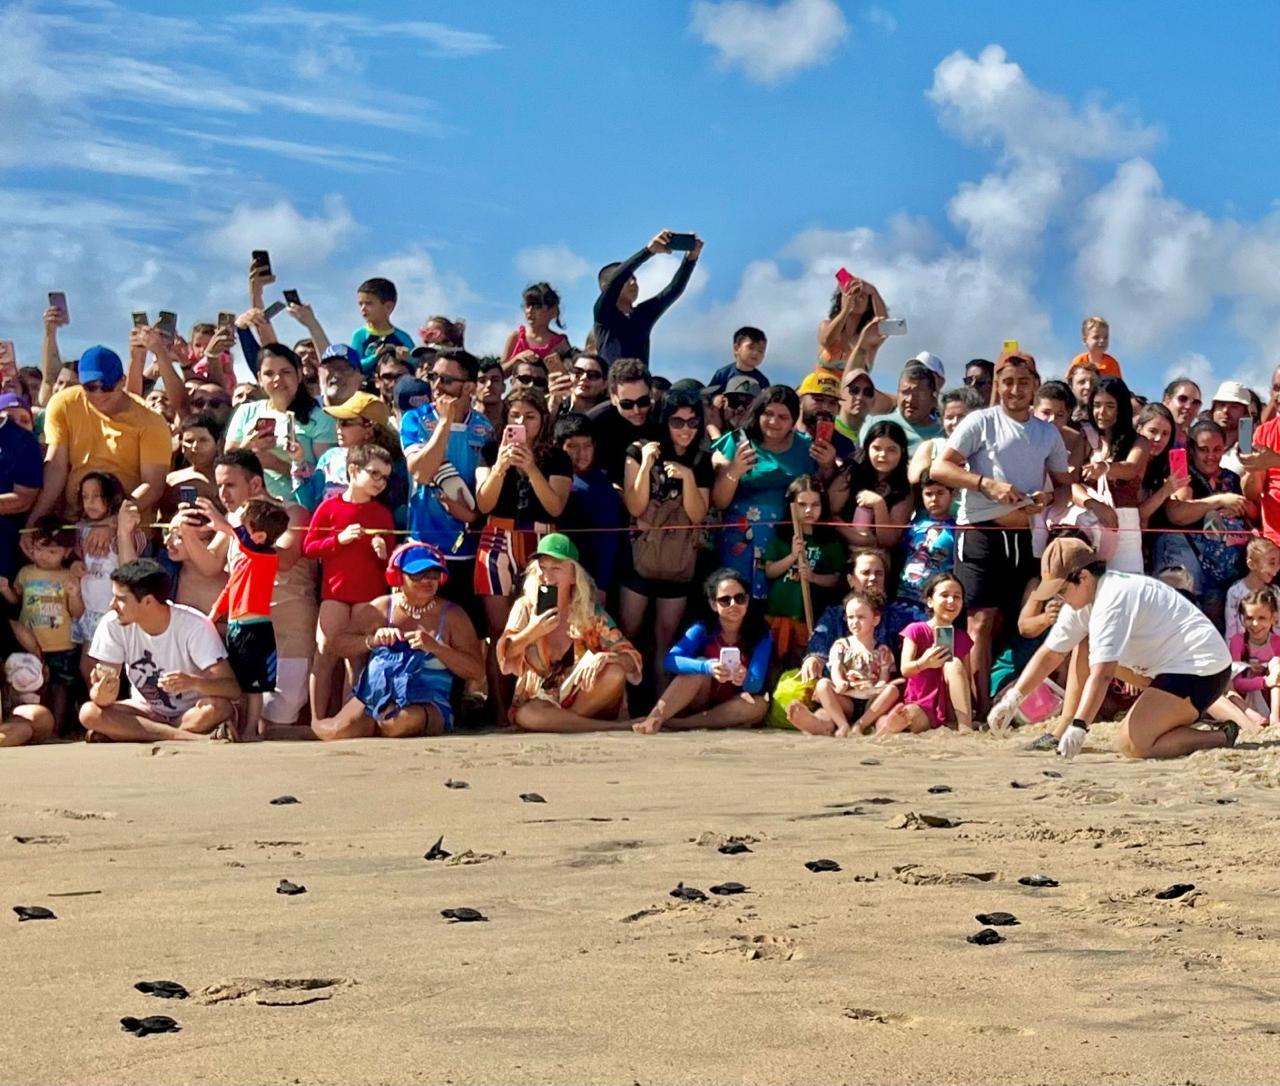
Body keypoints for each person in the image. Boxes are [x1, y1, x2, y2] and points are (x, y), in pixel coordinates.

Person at [988, 538, 1237, 759]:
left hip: (1201, 670)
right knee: (1083, 645)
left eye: (1061, 591)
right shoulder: (1084, 598)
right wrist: (1012, 699)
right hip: (1159, 668)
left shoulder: (1113, 598)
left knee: (1133, 744)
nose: (1059, 599)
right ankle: (1062, 728)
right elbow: (1051, 653)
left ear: (1083, 577)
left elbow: (1104, 674)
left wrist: (1081, 726)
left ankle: (1220, 736)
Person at [932, 353, 1071, 715]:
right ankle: (976, 711)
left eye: (1023, 382)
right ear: (998, 385)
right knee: (979, 621)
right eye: (1007, 382)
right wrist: (985, 484)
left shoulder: (1047, 432)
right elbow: (940, 467)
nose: (1014, 390)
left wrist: (1046, 501)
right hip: (979, 530)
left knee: (1016, 620)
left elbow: (1063, 486)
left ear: (1035, 386)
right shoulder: (980, 421)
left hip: (1024, 535)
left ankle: (1004, 702)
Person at [177, 449, 317, 732]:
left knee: (278, 718)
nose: (223, 493)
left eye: (230, 484)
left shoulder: (291, 512)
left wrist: (230, 529)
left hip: (290, 629)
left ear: (255, 484)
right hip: (246, 629)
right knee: (250, 712)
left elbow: (285, 559)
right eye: (219, 486)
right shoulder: (234, 522)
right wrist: (188, 532)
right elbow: (209, 565)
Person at [312, 543, 485, 740]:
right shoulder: (380, 608)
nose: (427, 581)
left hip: (427, 699)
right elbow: (338, 645)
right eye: (418, 575)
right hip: (375, 694)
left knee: (397, 723)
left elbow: (476, 671)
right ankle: (308, 729)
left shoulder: (453, 616)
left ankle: (372, 726)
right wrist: (372, 640)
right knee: (336, 731)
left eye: (434, 574)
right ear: (398, 576)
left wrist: (436, 648)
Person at [80, 559, 240, 742]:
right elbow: (101, 696)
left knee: (219, 708)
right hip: (146, 711)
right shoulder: (112, 624)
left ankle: (136, 732)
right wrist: (101, 694)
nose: (112, 604)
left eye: (121, 599)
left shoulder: (194, 625)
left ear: (148, 601)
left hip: (190, 712)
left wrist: (194, 683)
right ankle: (188, 738)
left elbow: (232, 689)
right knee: (89, 713)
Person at [497, 534, 642, 732]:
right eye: (542, 567)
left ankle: (564, 723)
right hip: (541, 702)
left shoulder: (589, 612)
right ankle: (607, 727)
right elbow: (505, 656)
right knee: (528, 713)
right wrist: (532, 632)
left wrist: (608, 658)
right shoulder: (525, 607)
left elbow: (632, 659)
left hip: (583, 696)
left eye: (556, 568)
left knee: (615, 673)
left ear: (574, 576)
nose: (547, 575)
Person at [619, 388, 713, 690]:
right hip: (640, 558)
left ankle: (660, 701)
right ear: (664, 420)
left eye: (692, 422)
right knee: (629, 631)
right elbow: (635, 506)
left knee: (666, 636)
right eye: (677, 422)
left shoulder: (701, 458)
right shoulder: (639, 449)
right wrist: (646, 465)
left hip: (679, 560)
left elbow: (698, 514)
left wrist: (687, 477)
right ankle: (623, 700)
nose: (685, 429)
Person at [301, 443, 397, 718]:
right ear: (353, 471)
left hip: (369, 594)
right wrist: (338, 540)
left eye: (385, 477)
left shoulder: (382, 514)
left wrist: (384, 553)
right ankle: (318, 720)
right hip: (335, 592)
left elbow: (392, 567)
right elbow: (309, 547)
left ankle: (350, 719)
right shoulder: (329, 508)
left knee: (358, 660)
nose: (381, 482)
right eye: (375, 474)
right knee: (325, 653)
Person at [27, 346, 170, 523]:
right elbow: (56, 466)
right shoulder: (64, 403)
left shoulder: (151, 421)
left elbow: (153, 485)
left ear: (122, 381)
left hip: (129, 528)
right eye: (90, 387)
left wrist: (113, 520)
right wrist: (35, 521)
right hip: (75, 521)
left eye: (107, 386)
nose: (99, 393)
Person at [632, 568, 772, 734]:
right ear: (714, 604)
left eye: (739, 598)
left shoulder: (761, 633)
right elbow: (670, 660)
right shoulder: (702, 629)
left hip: (730, 705)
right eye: (725, 600)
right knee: (696, 669)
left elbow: (755, 683)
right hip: (699, 698)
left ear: (747, 601)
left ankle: (680, 724)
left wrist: (744, 677)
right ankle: (655, 717)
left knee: (759, 705)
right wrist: (707, 667)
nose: (733, 605)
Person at [402, 348, 492, 598]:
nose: (437, 386)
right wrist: (444, 423)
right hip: (423, 545)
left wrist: (472, 516)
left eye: (447, 380)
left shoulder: (484, 428)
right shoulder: (415, 419)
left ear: (469, 388)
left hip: (469, 547)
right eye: (433, 377)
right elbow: (420, 472)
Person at [712, 386, 814, 598]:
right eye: (768, 414)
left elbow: (818, 490)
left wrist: (830, 464)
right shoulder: (739, 441)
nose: (774, 422)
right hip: (740, 539)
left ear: (794, 420)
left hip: (784, 542)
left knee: (775, 604)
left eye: (783, 417)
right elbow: (719, 501)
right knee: (735, 597)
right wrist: (735, 470)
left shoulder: (806, 447)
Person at [204, 496, 292, 741]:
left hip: (255, 628)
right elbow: (231, 587)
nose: (238, 530)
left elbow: (241, 540)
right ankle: (242, 726)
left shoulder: (265, 556)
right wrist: (214, 613)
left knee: (254, 685)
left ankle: (251, 729)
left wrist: (223, 524)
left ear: (260, 536)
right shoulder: (246, 556)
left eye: (245, 525)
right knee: (241, 681)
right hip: (236, 625)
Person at [1160, 419, 1255, 630]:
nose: (1211, 456)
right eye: (1204, 449)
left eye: (1217, 449)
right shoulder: (1184, 476)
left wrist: (1238, 507)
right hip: (1195, 572)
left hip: (1231, 571)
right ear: (1191, 450)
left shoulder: (1231, 477)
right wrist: (1218, 501)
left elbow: (1254, 512)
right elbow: (1177, 513)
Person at [2, 516, 83, 732]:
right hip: (30, 642)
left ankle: (57, 728)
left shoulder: (68, 575)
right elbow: (17, 601)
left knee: (61, 687)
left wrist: (75, 594)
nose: (44, 556)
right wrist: (5, 590)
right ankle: (34, 725)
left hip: (62, 644)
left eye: (52, 552)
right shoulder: (26, 572)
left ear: (66, 552)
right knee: (29, 685)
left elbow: (77, 613)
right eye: (39, 549)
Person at [225, 343, 335, 502]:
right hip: (250, 505)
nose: (277, 379)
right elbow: (225, 464)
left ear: (298, 374)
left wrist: (277, 463)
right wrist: (247, 448)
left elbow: (326, 475)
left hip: (298, 507)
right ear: (259, 379)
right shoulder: (245, 412)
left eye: (285, 372)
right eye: (269, 373)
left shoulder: (321, 418)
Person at [786, 589, 898, 737]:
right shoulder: (841, 645)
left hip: (871, 701)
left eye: (861, 617)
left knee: (892, 690)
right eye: (850, 617)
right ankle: (842, 725)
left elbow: (884, 677)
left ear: (875, 620)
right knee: (823, 684)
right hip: (847, 698)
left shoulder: (882, 650)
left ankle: (861, 724)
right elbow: (836, 669)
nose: (854, 622)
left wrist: (878, 686)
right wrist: (839, 682)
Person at [877, 572, 974, 735]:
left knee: (954, 664)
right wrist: (924, 662)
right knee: (909, 716)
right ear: (930, 601)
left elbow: (967, 677)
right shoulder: (916, 630)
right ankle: (894, 724)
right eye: (944, 595)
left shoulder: (962, 637)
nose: (951, 601)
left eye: (957, 597)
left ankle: (965, 726)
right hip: (922, 704)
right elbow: (905, 669)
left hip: (951, 706)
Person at [762, 476, 844, 666]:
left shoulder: (830, 541)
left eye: (815, 504)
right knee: (774, 661)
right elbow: (770, 572)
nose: (808, 510)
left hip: (807, 615)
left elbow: (836, 578)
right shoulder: (782, 537)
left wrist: (814, 577)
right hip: (779, 612)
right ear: (792, 505)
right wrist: (792, 556)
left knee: (800, 659)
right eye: (802, 504)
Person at [72, 473, 144, 683]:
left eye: (97, 496)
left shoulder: (124, 531)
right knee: (87, 669)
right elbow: (81, 560)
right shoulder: (82, 528)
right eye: (85, 497)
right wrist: (76, 567)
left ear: (112, 498)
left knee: (106, 672)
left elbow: (129, 568)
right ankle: (96, 708)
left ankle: (108, 710)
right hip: (90, 611)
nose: (90, 502)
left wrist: (119, 528)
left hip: (111, 611)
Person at [591, 230, 701, 365]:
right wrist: (648, 251)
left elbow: (673, 290)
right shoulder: (604, 314)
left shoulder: (642, 315)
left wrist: (690, 259)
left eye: (635, 278)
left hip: (640, 384)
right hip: (613, 383)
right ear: (605, 287)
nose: (633, 282)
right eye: (628, 279)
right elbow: (616, 281)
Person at [556, 413, 625, 599]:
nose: (581, 454)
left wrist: (601, 586)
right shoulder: (546, 477)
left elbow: (609, 540)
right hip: (550, 574)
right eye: (573, 447)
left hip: (587, 581)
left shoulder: (602, 487)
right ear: (559, 446)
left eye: (587, 446)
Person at [884, 469, 956, 642]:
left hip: (938, 603)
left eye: (940, 493)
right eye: (928, 494)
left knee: (943, 650)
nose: (934, 499)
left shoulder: (958, 528)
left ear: (952, 494)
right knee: (896, 647)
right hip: (903, 597)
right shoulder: (914, 525)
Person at [835, 420, 912, 551]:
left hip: (877, 557)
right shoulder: (849, 472)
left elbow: (889, 541)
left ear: (902, 451)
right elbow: (830, 514)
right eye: (876, 448)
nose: (883, 455)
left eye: (891, 450)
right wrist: (858, 539)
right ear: (866, 448)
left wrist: (879, 505)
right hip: (839, 547)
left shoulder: (904, 488)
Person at [585, 358, 660, 485]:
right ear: (614, 398)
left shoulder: (661, 418)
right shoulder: (594, 422)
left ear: (651, 394)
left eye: (643, 402)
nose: (636, 410)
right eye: (627, 404)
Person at [858, 361, 942, 455]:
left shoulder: (945, 433)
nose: (910, 400)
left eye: (919, 394)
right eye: (905, 392)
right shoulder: (875, 425)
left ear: (933, 399)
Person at [0, 398, 42, 583]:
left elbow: (23, 500)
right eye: (7, 419)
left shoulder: (27, 446)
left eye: (23, 420)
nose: (14, 426)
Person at [908, 386, 984, 485]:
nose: (955, 422)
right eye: (949, 417)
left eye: (962, 417)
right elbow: (916, 483)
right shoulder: (931, 447)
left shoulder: (986, 449)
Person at [501, 282, 571, 374]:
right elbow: (499, 374)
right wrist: (516, 359)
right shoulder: (516, 338)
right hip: (520, 388)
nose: (530, 311)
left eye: (537, 306)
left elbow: (573, 374)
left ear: (552, 310)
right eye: (527, 305)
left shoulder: (560, 344)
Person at [351, 277, 414, 374]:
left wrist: (408, 358)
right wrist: (374, 358)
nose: (363, 309)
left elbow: (418, 365)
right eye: (360, 304)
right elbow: (353, 367)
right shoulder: (360, 336)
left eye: (369, 304)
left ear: (388, 307)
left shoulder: (403, 338)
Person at [1224, 537, 1280, 645]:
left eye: (1279, 563)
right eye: (1272, 563)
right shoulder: (1235, 592)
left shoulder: (1276, 592)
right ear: (1252, 564)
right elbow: (1231, 629)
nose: (1277, 568)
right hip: (1244, 652)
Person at [708, 327, 771, 397]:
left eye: (760, 351)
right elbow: (707, 397)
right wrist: (715, 399)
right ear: (736, 348)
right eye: (751, 348)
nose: (756, 353)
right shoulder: (723, 374)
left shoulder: (763, 381)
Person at [1209, 380, 1251, 475]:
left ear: (1245, 414)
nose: (1225, 410)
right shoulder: (1195, 445)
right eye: (1221, 405)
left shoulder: (1251, 450)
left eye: (1234, 406)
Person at [317, 343, 366, 408]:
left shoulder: (374, 413)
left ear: (361, 378)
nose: (336, 375)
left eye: (345, 368)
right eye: (329, 368)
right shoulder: (305, 412)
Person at [1162, 377, 1203, 447]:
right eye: (1182, 399)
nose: (1188, 406)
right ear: (1167, 400)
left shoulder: (1196, 445)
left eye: (1196, 403)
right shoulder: (1151, 438)